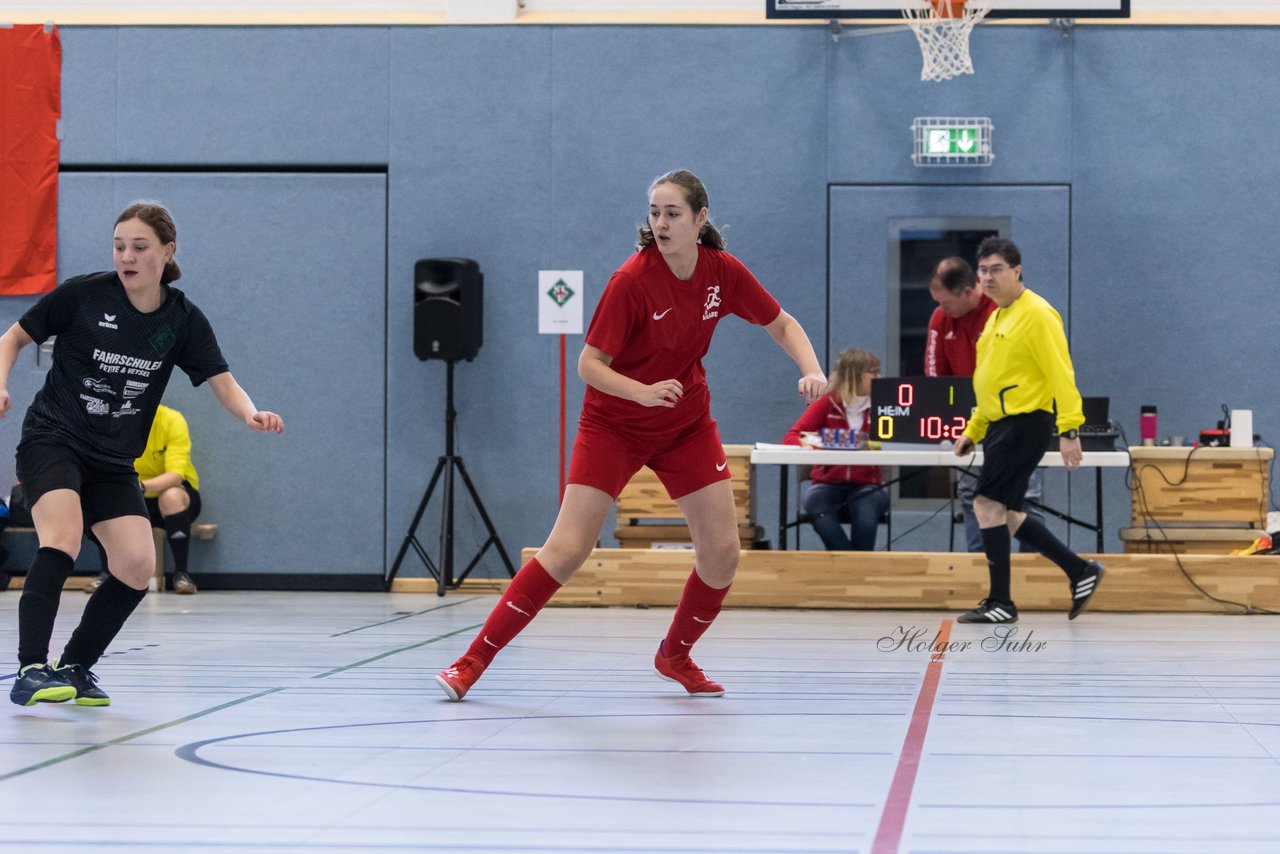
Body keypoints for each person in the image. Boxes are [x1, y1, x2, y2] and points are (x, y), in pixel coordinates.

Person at [435, 169, 827, 701]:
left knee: (722, 553)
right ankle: (471, 661)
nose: (661, 224)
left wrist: (812, 369)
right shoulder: (632, 281)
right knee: (568, 548)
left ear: (700, 219)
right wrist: (639, 393)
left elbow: (781, 323)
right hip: (614, 423)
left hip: (685, 424)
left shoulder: (722, 272)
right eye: (655, 213)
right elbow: (589, 365)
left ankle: (675, 655)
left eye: (673, 214)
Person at [2, 202, 283, 707]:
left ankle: (76, 668)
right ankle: (30, 668)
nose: (126, 256)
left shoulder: (181, 320)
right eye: (118, 246)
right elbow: (12, 339)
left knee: (135, 564)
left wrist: (250, 414)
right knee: (62, 539)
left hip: (112, 459)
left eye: (139, 247)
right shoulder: (85, 296)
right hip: (54, 438)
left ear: (166, 252)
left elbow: (222, 381)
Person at [952, 238, 1102, 624]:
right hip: (1001, 425)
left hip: (1025, 424)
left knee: (986, 505)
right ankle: (1080, 571)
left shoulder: (1037, 313)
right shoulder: (998, 316)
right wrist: (974, 429)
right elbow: (989, 383)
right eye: (982, 270)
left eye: (996, 269)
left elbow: (1060, 371)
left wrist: (1070, 428)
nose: (987, 277)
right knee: (1009, 514)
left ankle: (1001, 602)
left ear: (1017, 271)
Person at [924, 256, 1044, 552]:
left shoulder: (1002, 312)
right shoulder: (941, 319)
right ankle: (981, 570)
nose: (942, 310)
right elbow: (936, 378)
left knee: (1025, 498)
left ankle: (1034, 571)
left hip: (1014, 420)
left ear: (968, 291)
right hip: (971, 424)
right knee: (972, 496)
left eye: (947, 303)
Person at [86, 404, 204, 595]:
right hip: (134, 498)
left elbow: (175, 476)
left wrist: (140, 487)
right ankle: (107, 573)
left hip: (173, 496)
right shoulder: (116, 422)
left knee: (171, 496)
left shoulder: (172, 420)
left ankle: (182, 575)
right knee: (104, 498)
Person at [781, 348, 887, 550]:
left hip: (868, 485)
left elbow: (896, 443)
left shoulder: (884, 406)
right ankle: (852, 567)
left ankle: (851, 570)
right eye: (873, 372)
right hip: (827, 484)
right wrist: (823, 442)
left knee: (866, 508)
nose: (879, 377)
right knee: (815, 502)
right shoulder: (826, 403)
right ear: (854, 375)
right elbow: (791, 438)